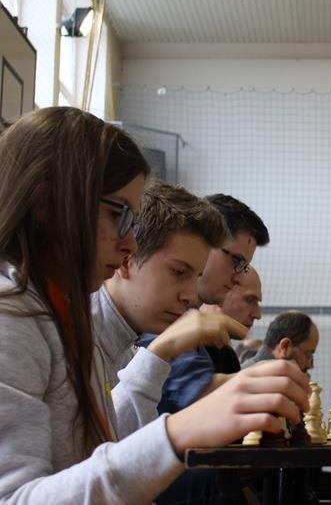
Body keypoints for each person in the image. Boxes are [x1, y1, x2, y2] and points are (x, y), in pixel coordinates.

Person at [0, 107, 309, 503]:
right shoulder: (12, 317)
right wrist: (178, 433)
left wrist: (159, 356)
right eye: (117, 214)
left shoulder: (63, 316)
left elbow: (99, 450)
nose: (129, 243)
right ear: (48, 201)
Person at [94, 179, 245, 436]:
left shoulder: (126, 349)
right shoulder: (70, 336)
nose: (190, 296)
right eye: (178, 272)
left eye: (197, 277)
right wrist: (159, 352)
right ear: (126, 259)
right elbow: (95, 450)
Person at [140, 194, 270, 414]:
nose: (238, 276)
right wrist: (272, 377)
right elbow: (196, 394)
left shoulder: (194, 325)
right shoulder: (162, 314)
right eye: (237, 261)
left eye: (244, 267)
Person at [203, 268, 263, 372]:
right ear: (221, 291)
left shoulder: (228, 358)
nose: (258, 315)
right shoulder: (186, 350)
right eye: (249, 300)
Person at [242, 310, 319, 374]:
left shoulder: (243, 374)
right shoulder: (266, 382)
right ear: (285, 346)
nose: (309, 365)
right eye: (308, 354)